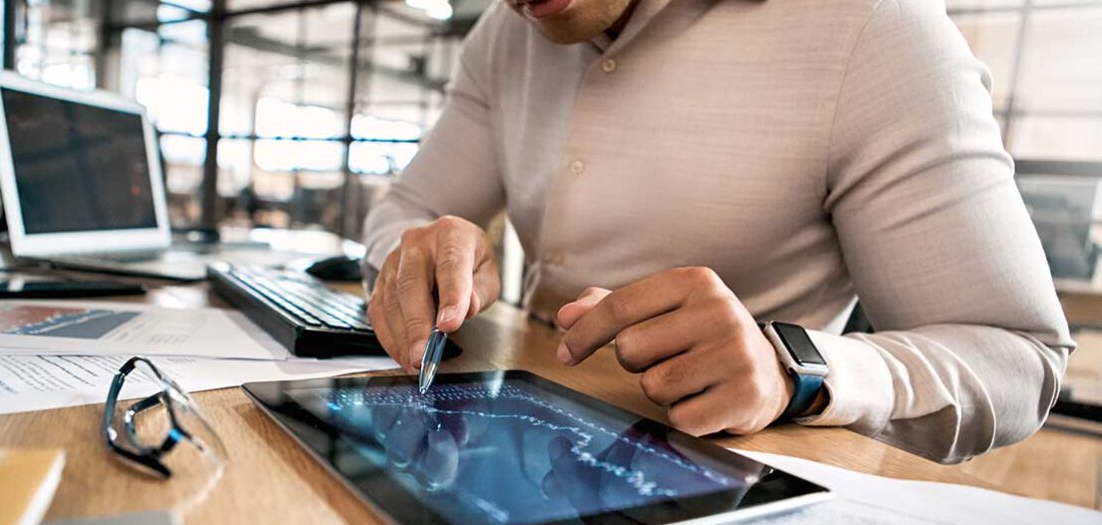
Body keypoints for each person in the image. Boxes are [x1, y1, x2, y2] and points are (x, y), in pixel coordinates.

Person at [361, 0, 1074, 463]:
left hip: (729, 486)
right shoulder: (502, 35)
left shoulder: (873, 30)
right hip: (509, 453)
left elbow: (1018, 357)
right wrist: (417, 258)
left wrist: (790, 369)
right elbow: (408, 205)